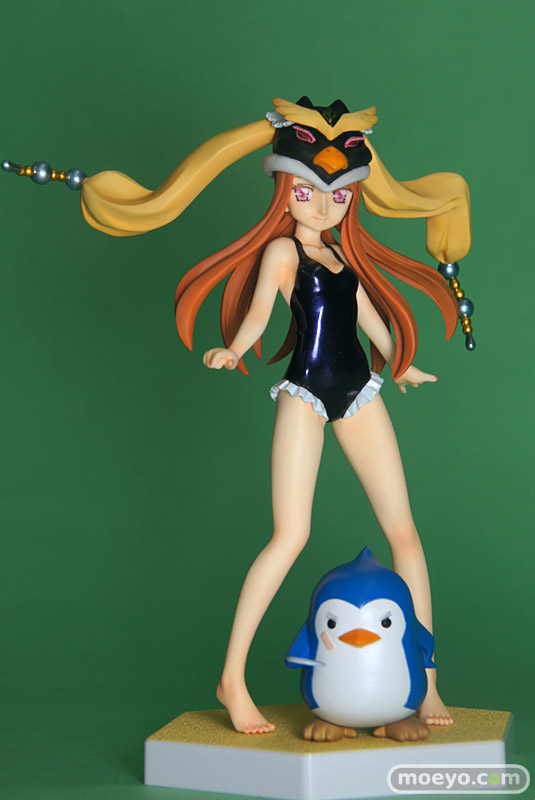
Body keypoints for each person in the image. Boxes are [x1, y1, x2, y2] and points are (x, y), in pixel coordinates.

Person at [79, 96, 472, 734]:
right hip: (306, 394)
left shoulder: (343, 258)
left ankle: (426, 682)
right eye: (309, 192)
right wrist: (234, 349)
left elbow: (370, 320)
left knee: (404, 532)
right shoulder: (283, 254)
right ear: (286, 189)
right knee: (290, 535)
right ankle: (231, 678)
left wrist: (401, 364)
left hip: (359, 390)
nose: (324, 206)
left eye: (339, 195)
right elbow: (261, 312)